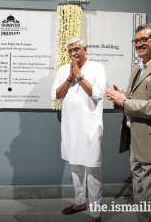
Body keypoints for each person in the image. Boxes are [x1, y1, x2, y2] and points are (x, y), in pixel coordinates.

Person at [105, 23, 151, 222]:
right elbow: (131, 100)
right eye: (136, 41)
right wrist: (121, 99)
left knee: (150, 191)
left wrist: (125, 102)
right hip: (134, 138)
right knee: (139, 189)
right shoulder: (138, 67)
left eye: (143, 40)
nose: (138, 44)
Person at [51, 37, 106, 222]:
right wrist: (69, 77)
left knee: (92, 170)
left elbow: (97, 94)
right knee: (76, 168)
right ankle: (79, 202)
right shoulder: (62, 70)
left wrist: (79, 76)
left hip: (89, 127)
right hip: (70, 127)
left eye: (76, 49)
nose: (73, 53)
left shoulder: (97, 67)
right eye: (69, 50)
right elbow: (56, 96)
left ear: (85, 49)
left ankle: (96, 213)